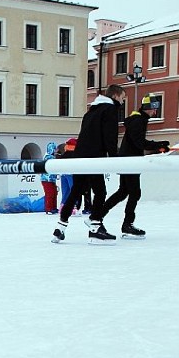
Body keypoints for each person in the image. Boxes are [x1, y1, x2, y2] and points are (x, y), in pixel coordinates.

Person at [51, 84, 126, 245]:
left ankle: (60, 228)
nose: (123, 101)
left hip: (81, 157)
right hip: (94, 158)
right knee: (100, 192)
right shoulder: (110, 110)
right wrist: (115, 159)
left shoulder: (91, 111)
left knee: (76, 191)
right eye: (122, 97)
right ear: (115, 95)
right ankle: (95, 226)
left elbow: (84, 135)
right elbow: (109, 137)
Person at [102, 95, 170, 239]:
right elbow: (139, 143)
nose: (155, 113)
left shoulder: (138, 120)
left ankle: (98, 216)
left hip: (129, 160)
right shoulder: (138, 120)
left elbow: (137, 142)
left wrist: (158, 147)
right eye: (153, 109)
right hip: (130, 161)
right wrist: (158, 146)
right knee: (134, 193)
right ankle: (126, 224)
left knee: (123, 192)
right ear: (148, 108)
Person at [41, 141, 59, 215]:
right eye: (55, 149)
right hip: (46, 179)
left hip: (51, 179)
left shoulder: (52, 157)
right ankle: (49, 208)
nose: (56, 150)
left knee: (54, 193)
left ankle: (53, 207)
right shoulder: (49, 157)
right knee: (50, 193)